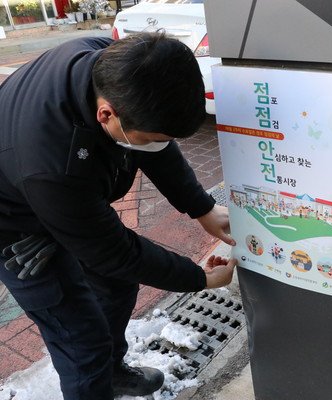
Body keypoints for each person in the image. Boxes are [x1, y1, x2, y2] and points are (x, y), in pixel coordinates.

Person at [0, 32, 237, 399]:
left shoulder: (112, 61)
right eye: (149, 138)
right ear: (106, 113)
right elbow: (115, 251)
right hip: (15, 230)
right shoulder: (55, 165)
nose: (156, 145)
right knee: (82, 345)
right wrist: (197, 278)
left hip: (46, 190)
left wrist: (201, 207)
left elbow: (154, 143)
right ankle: (96, 374)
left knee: (116, 284)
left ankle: (111, 372)